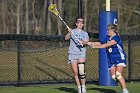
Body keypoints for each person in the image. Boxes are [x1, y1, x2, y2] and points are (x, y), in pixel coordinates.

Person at [87, 24, 129, 93]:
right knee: (113, 76)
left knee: (118, 74)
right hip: (111, 59)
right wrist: (89, 43)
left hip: (119, 58)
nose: (107, 31)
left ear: (113, 30)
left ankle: (125, 90)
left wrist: (95, 47)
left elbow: (107, 45)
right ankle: (122, 86)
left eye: (108, 30)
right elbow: (100, 43)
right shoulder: (107, 37)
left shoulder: (116, 37)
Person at [65, 17, 89, 93]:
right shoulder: (72, 31)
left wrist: (82, 42)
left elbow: (86, 41)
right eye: (78, 22)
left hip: (81, 53)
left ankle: (83, 86)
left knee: (81, 71)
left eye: (82, 22)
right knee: (75, 72)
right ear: (76, 23)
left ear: (83, 24)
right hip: (72, 53)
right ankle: (79, 88)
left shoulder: (85, 33)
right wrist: (69, 32)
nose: (80, 24)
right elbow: (66, 38)